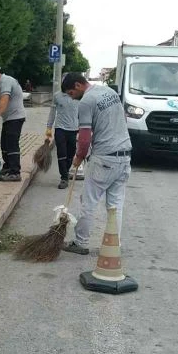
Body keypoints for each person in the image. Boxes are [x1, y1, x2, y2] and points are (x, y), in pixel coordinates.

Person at [61, 72, 132, 255]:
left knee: (88, 201)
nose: (72, 97)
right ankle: (113, 244)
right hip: (124, 156)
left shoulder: (86, 101)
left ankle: (80, 242)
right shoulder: (110, 92)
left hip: (104, 158)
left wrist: (78, 157)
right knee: (115, 205)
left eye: (70, 93)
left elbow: (85, 138)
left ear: (77, 85)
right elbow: (123, 119)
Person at [46, 87, 79, 189]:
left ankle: (66, 170)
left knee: (70, 154)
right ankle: (64, 177)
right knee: (61, 153)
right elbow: (52, 111)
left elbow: (83, 112)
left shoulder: (78, 95)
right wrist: (49, 127)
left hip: (74, 129)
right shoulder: (57, 96)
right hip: (60, 128)